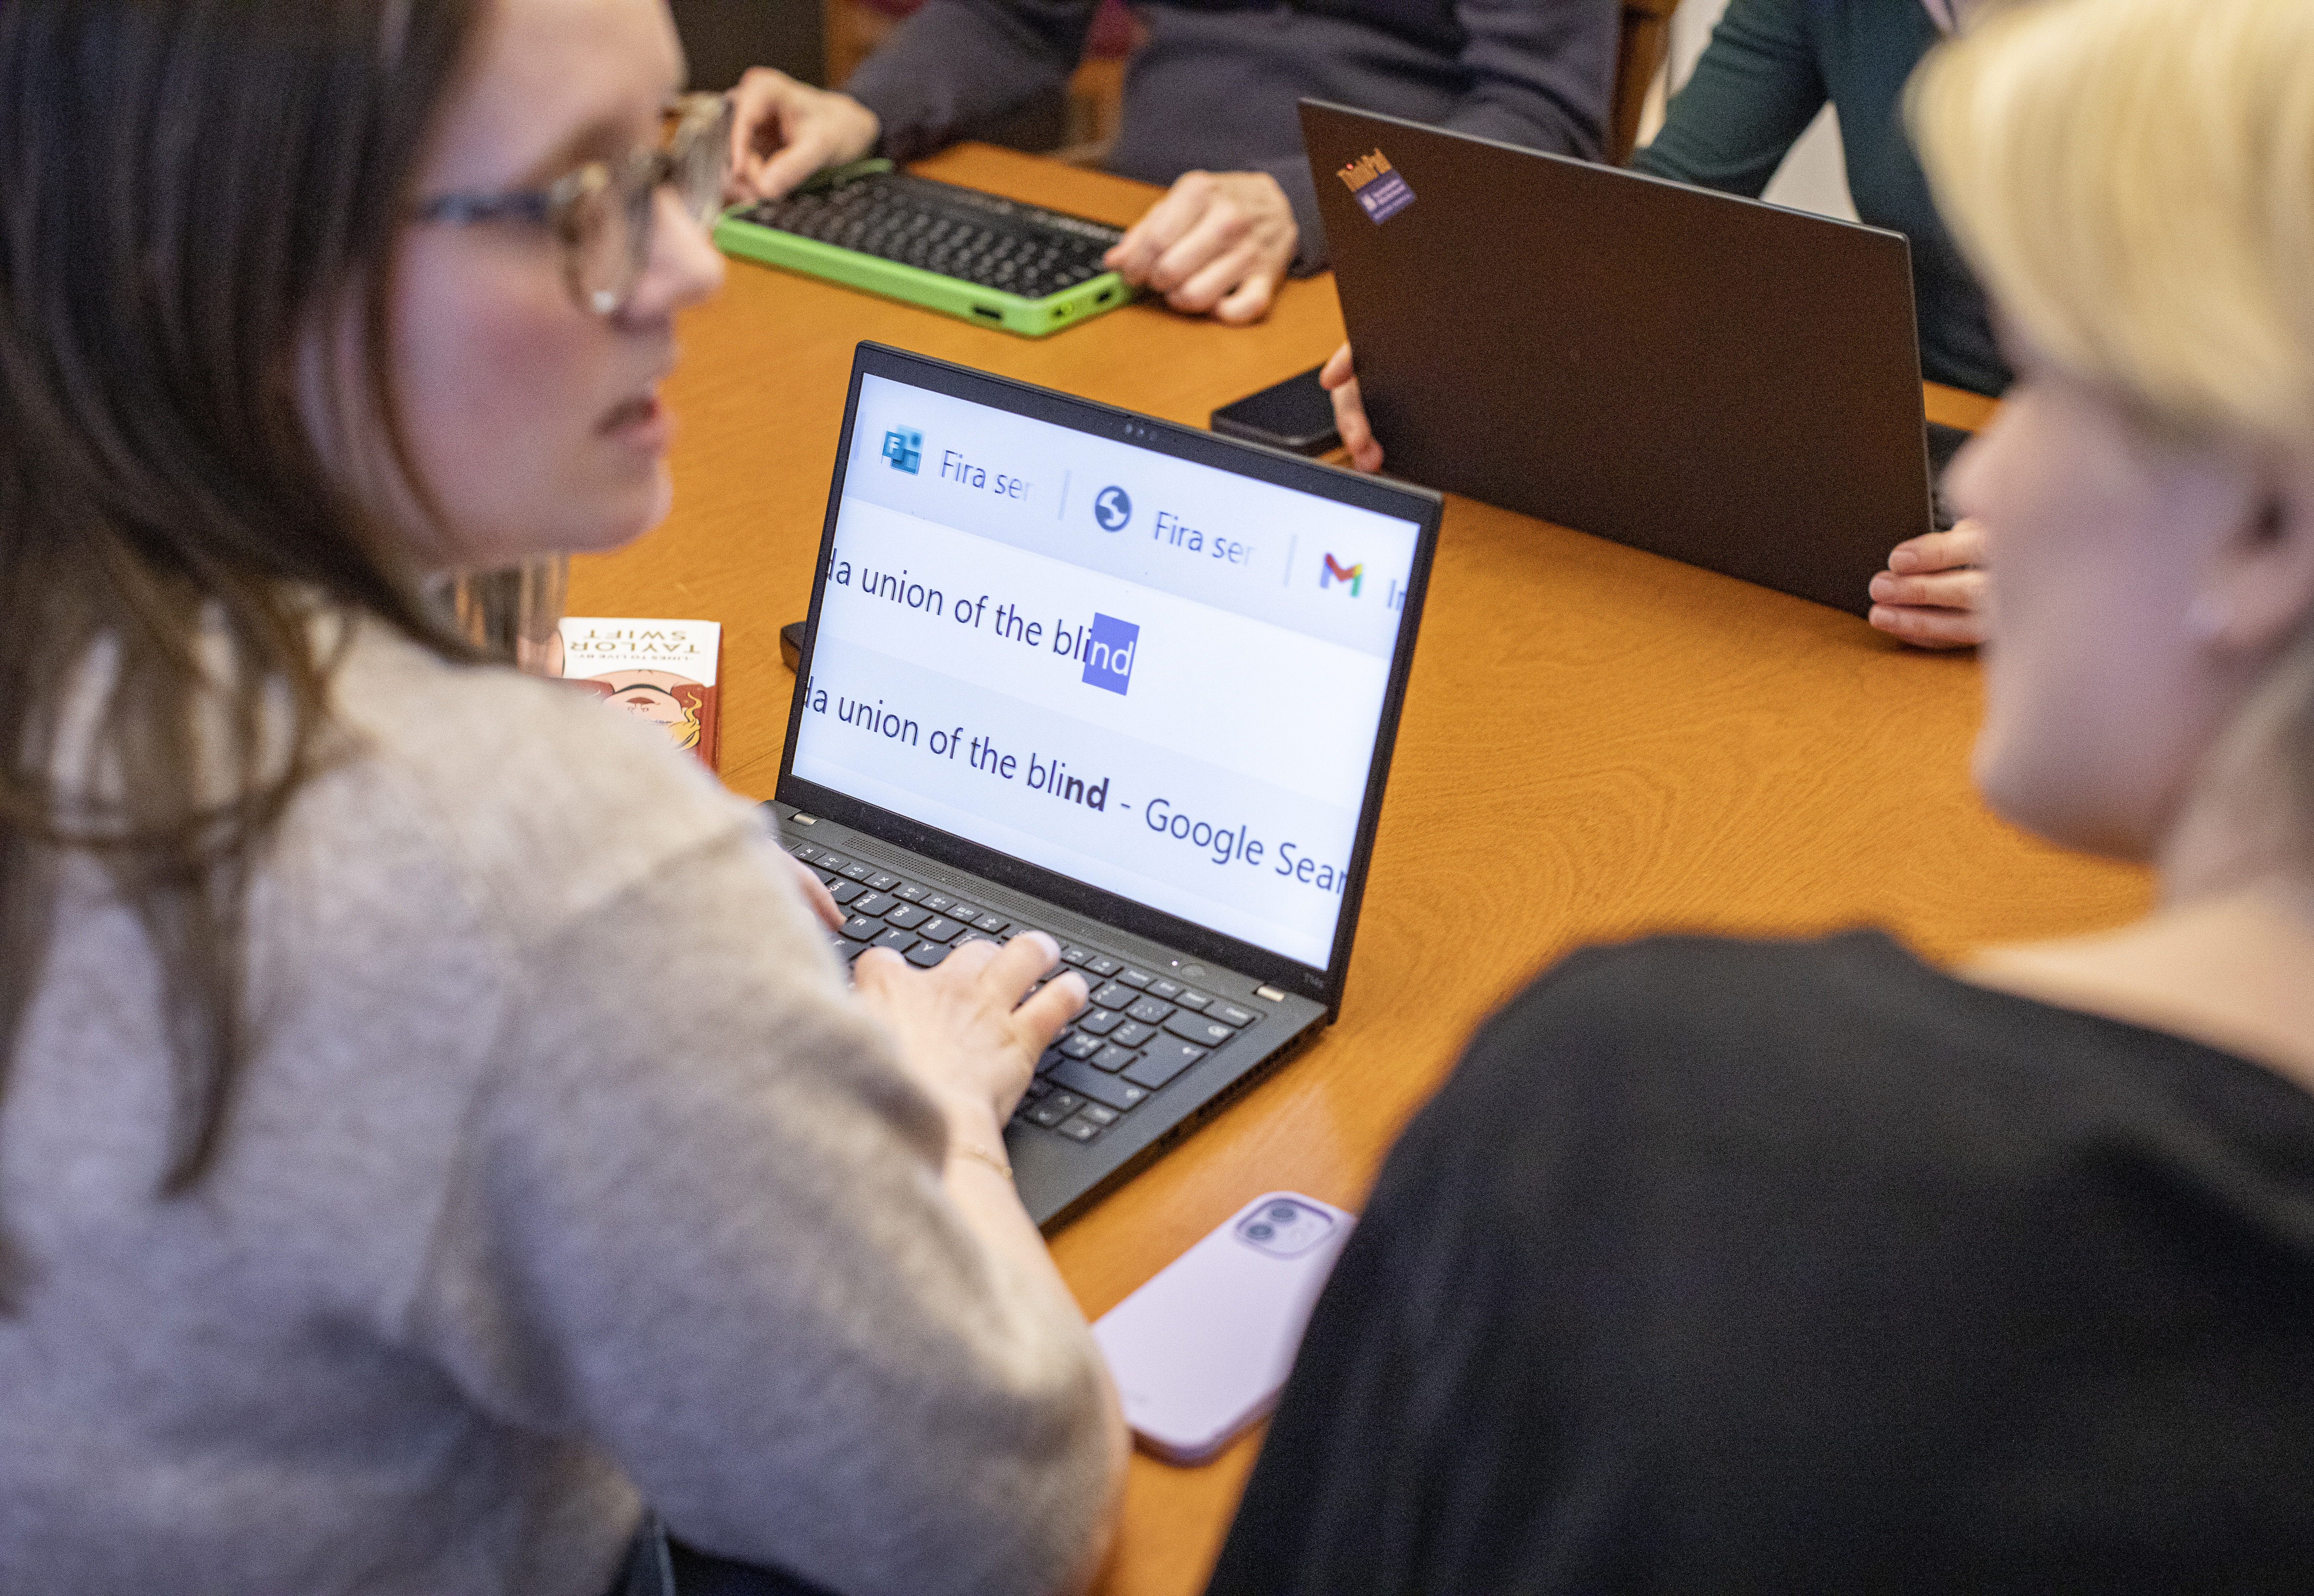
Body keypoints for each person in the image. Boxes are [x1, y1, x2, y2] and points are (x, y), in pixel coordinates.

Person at [1208, 0, 2314, 1586]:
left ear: (2272, 531)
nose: (1977, 473)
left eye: (2048, 385)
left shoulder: (1643, 1127)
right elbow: (1658, 217)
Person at [0, 2, 1123, 1593]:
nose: (693, 266)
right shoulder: (538, 867)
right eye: (575, 203)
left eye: (670, 152)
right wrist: (935, 1115)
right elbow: (1004, 1511)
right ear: (246, 246)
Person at [1322, 0, 2002, 647]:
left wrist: (2103, 554)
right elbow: (1657, 222)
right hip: (1928, 448)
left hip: (2082, 473)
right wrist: (1457, 325)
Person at [721, 0, 1620, 325]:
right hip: (1130, 252)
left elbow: (1543, 121)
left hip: (1381, 249)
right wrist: (865, 109)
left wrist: (1311, 205)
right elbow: (1015, 18)